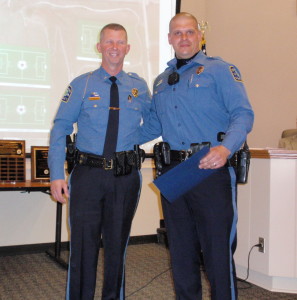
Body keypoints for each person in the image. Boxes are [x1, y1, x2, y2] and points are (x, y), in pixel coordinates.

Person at [140, 12, 254, 300]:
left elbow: (242, 114)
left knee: (216, 253)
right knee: (181, 254)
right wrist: (112, 141)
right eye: (177, 33)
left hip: (210, 168)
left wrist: (226, 148)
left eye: (190, 32)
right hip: (174, 173)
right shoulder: (161, 81)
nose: (184, 38)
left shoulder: (220, 70)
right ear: (169, 39)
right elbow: (154, 125)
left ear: (200, 36)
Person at [48, 23, 151, 300]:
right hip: (88, 176)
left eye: (120, 42)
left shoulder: (139, 87)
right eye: (109, 42)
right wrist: (57, 173)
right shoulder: (82, 85)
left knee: (117, 248)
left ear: (127, 48)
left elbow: (154, 122)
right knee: (83, 248)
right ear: (99, 47)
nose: (114, 47)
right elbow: (60, 128)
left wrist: (130, 139)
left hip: (125, 176)